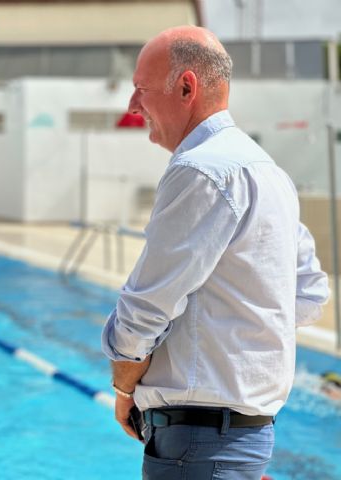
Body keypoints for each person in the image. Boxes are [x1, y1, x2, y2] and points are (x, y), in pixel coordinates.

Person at [101, 26, 329, 479]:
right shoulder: (268, 171)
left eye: (140, 90)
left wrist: (124, 386)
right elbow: (309, 295)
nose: (132, 106)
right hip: (244, 439)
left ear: (186, 86)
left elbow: (145, 309)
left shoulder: (199, 171)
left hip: (198, 442)